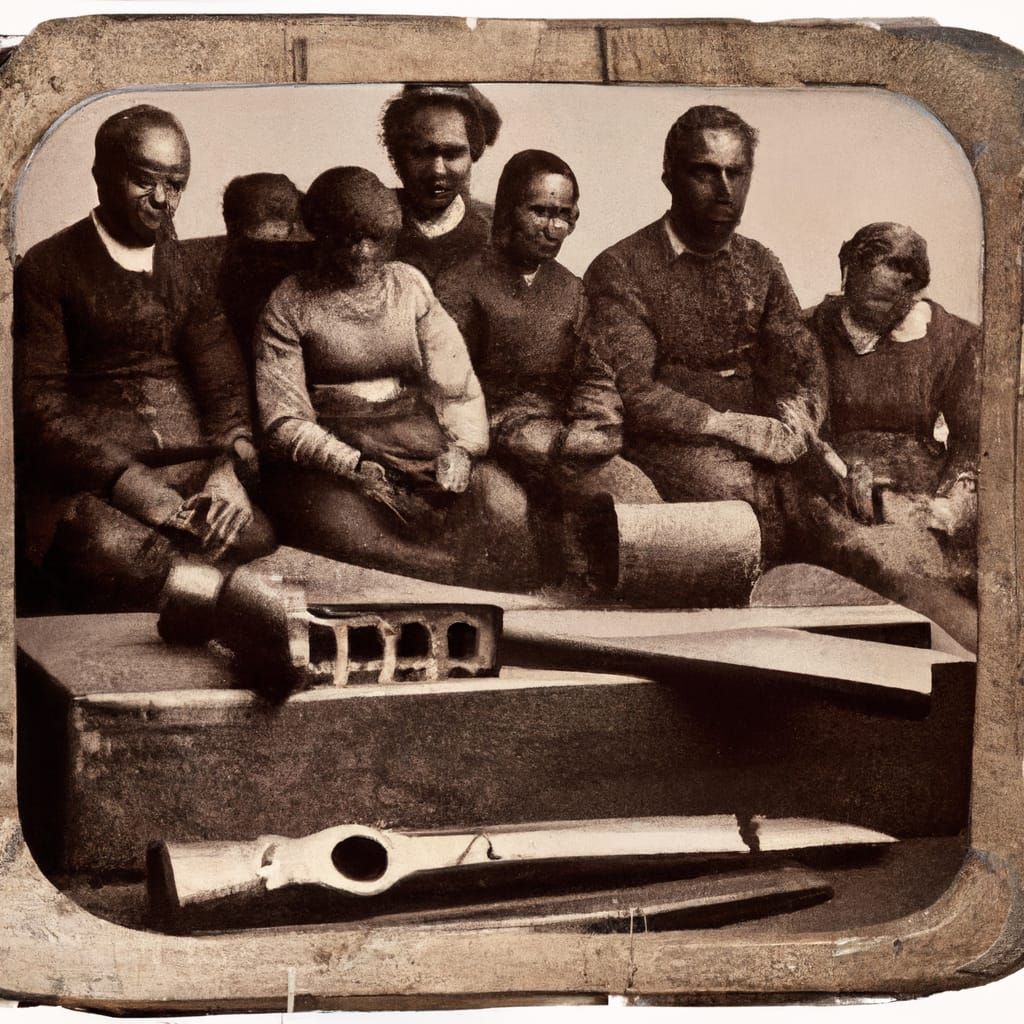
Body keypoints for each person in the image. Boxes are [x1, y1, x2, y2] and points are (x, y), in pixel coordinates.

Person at [14, 104, 274, 611]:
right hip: (95, 482)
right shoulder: (49, 267)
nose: (162, 200)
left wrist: (227, 470)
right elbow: (39, 403)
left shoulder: (185, 267)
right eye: (144, 181)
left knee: (252, 534)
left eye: (175, 184)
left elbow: (222, 382)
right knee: (117, 551)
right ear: (101, 176)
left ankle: (204, 606)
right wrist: (133, 487)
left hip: (192, 474)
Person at [253, 166, 540, 589]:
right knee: (356, 538)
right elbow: (283, 420)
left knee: (505, 508)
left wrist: (461, 450)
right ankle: (442, 582)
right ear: (323, 234)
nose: (364, 253)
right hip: (334, 453)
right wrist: (350, 464)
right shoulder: (290, 302)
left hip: (416, 437)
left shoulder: (409, 285)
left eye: (376, 239)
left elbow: (456, 386)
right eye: (350, 239)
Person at [583, 105, 826, 558]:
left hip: (762, 445)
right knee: (745, 500)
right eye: (705, 173)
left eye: (737, 173)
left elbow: (798, 360)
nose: (724, 190)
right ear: (669, 176)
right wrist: (725, 425)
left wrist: (798, 420)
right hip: (668, 446)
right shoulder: (621, 269)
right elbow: (631, 392)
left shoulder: (761, 264)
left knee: (830, 500)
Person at [436, 149, 660, 509]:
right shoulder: (461, 284)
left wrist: (594, 428)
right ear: (509, 210)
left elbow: (594, 372)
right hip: (485, 443)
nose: (553, 229)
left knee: (634, 495)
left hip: (562, 440)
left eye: (563, 216)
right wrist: (508, 431)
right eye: (540, 212)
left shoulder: (570, 289)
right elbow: (448, 386)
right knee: (506, 512)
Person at [793, 222, 980, 627]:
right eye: (864, 292)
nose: (872, 308)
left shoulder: (952, 339)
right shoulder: (807, 331)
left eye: (889, 298)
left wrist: (946, 506)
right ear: (846, 273)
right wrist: (848, 482)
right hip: (835, 492)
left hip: (924, 498)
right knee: (863, 559)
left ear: (912, 290)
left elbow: (972, 440)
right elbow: (803, 428)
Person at [380, 83, 500, 282]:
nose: (437, 169)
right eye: (420, 153)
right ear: (396, 155)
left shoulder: (496, 232)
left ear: (474, 153)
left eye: (452, 154)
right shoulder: (368, 225)